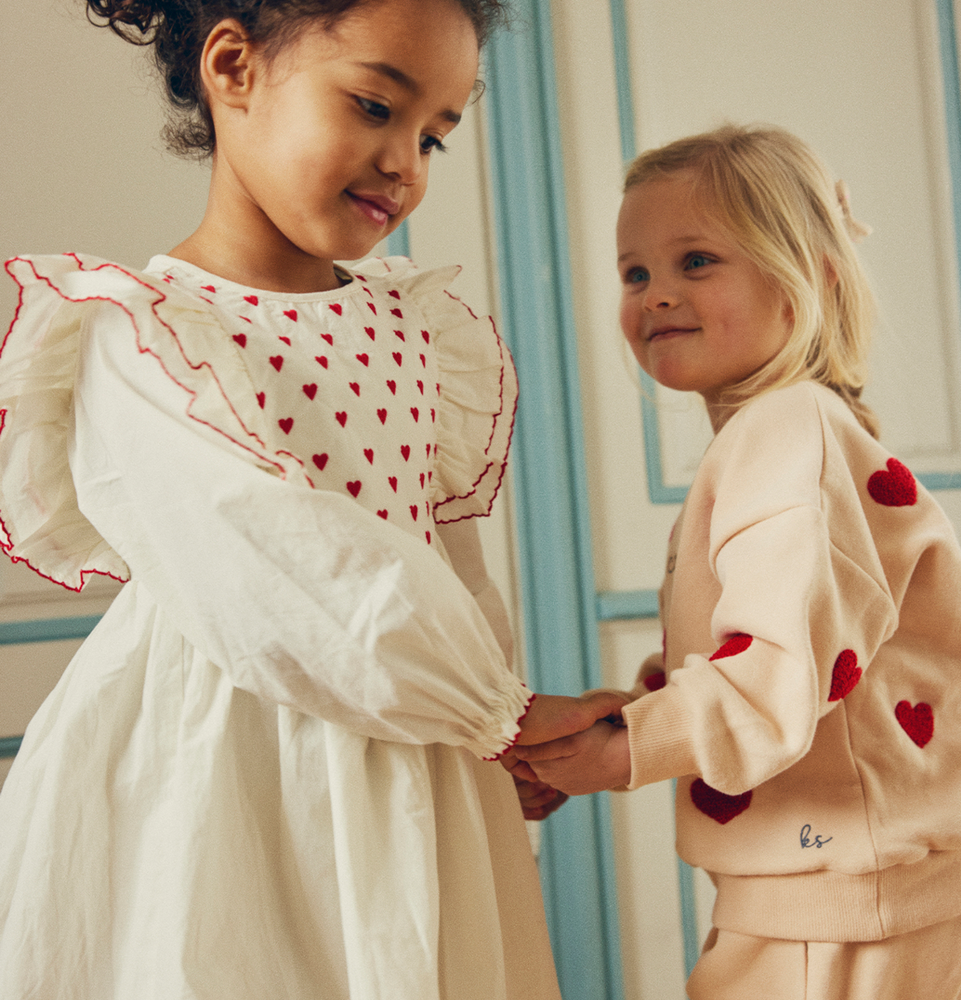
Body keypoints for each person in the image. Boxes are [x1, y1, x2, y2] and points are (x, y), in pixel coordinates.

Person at [0, 1, 624, 995]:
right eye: (375, 105)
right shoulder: (143, 331)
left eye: (432, 137)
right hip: (229, 766)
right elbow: (272, 562)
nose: (404, 163)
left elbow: (444, 562)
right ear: (234, 67)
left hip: (420, 741)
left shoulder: (413, 321)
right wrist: (492, 711)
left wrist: (492, 713)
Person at [508, 124, 961, 998]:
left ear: (806, 277)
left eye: (696, 261)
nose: (657, 294)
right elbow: (789, 670)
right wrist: (627, 718)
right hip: (880, 877)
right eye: (635, 272)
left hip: (840, 894)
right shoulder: (786, 437)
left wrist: (623, 752)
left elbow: (770, 679)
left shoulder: (786, 433)